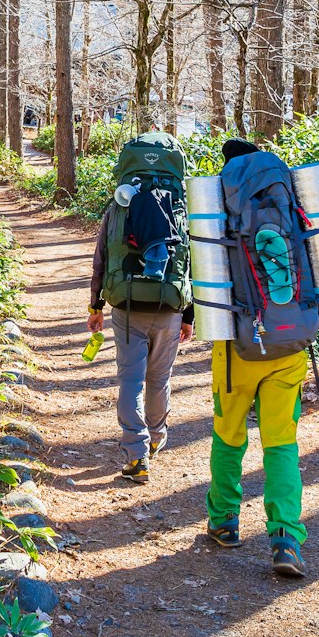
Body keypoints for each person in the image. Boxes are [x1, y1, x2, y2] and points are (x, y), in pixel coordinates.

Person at [205, 136, 310, 578]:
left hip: (238, 348)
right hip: (290, 344)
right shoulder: (290, 195)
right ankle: (286, 537)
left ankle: (225, 520)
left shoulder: (217, 205)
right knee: (281, 443)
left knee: (229, 434)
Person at [88, 131, 193, 483]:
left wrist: (95, 305)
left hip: (128, 303)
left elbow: (101, 258)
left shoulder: (119, 206)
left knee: (131, 379)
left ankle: (136, 455)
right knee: (159, 378)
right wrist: (189, 314)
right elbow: (190, 260)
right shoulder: (179, 206)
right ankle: (156, 439)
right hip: (170, 304)